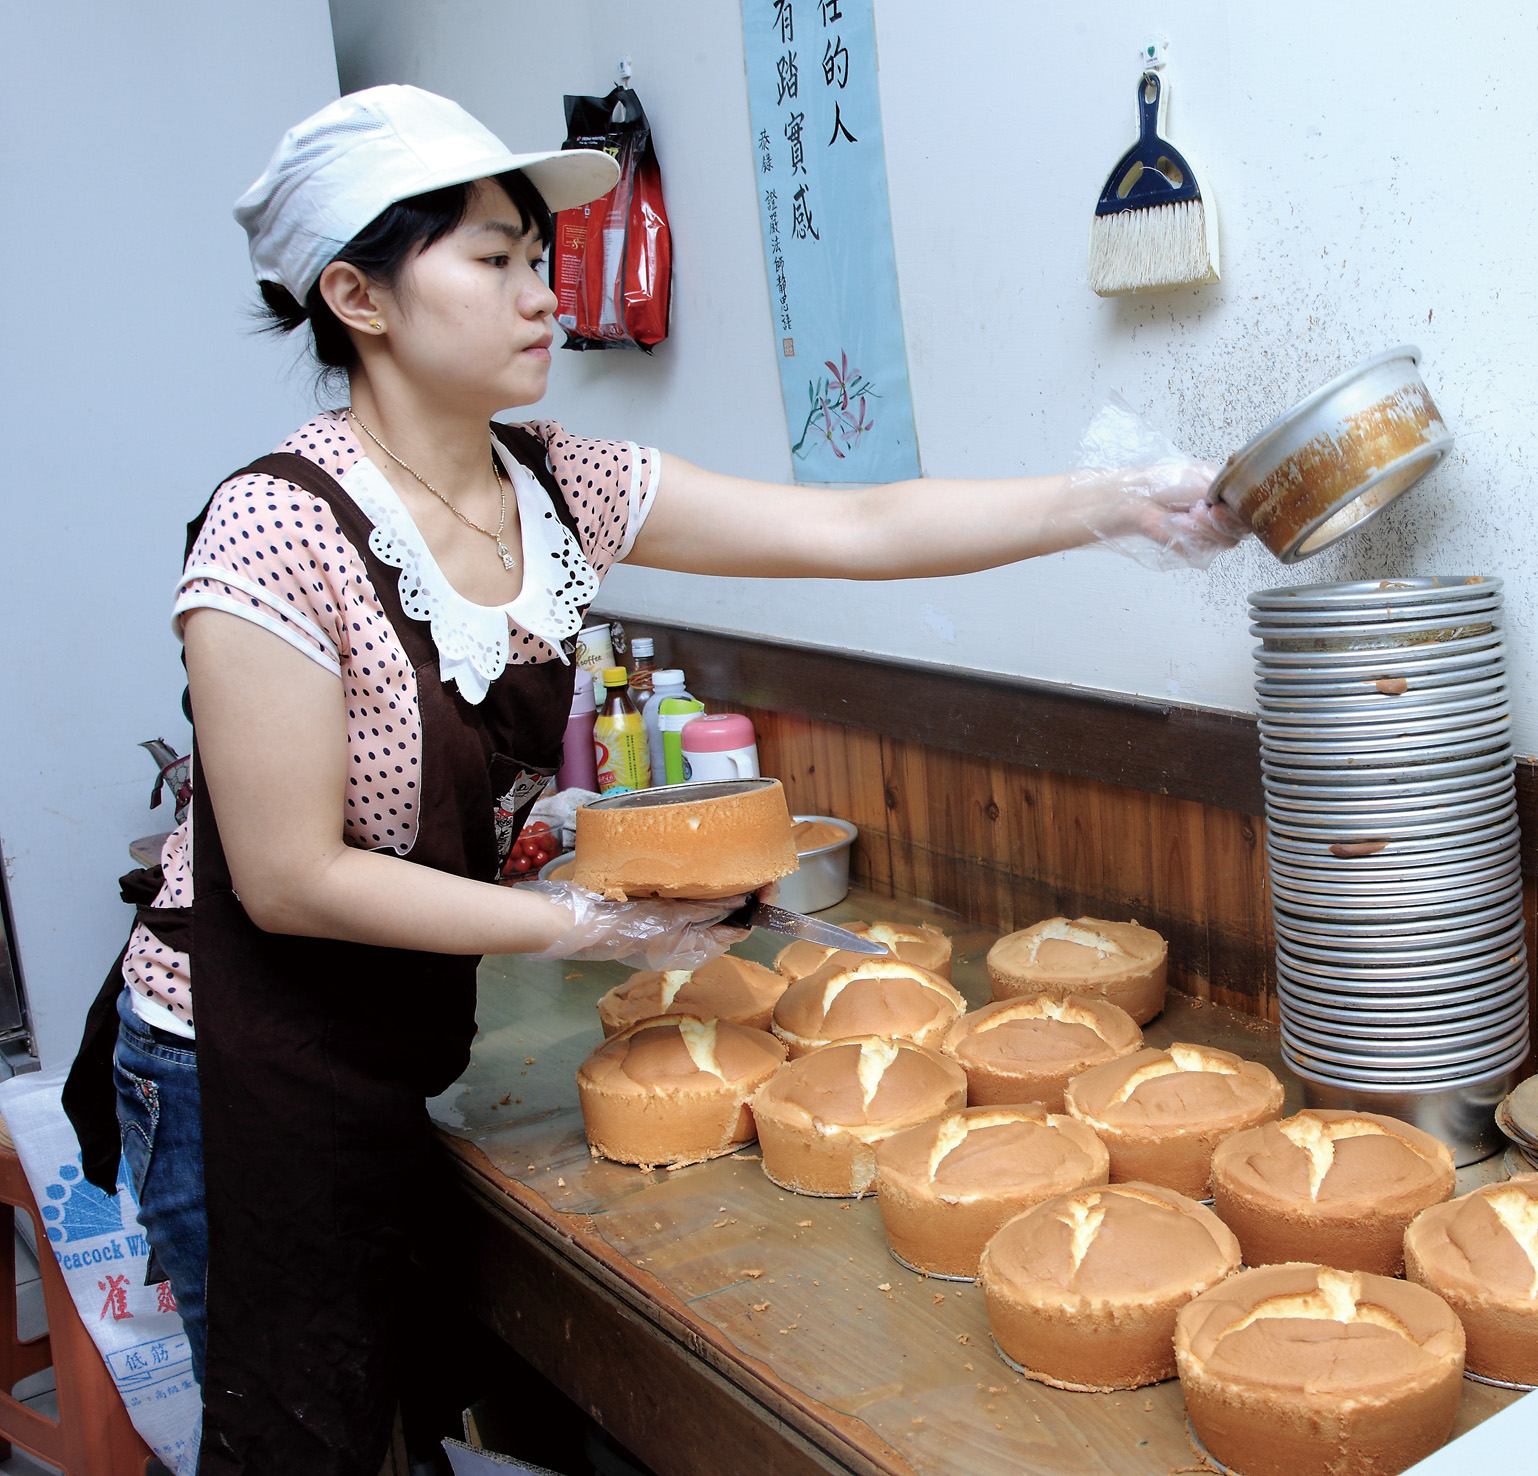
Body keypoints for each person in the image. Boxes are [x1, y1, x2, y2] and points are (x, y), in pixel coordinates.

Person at [61, 85, 1241, 1475]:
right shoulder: (275, 527)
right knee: (305, 1437)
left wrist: (1115, 502)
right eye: (491, 260)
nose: (541, 293)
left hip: (397, 1028)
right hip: (235, 1058)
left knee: (400, 1409)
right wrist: (589, 924)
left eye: (535, 255)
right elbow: (292, 878)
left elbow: (853, 528)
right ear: (357, 297)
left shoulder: (555, 484)